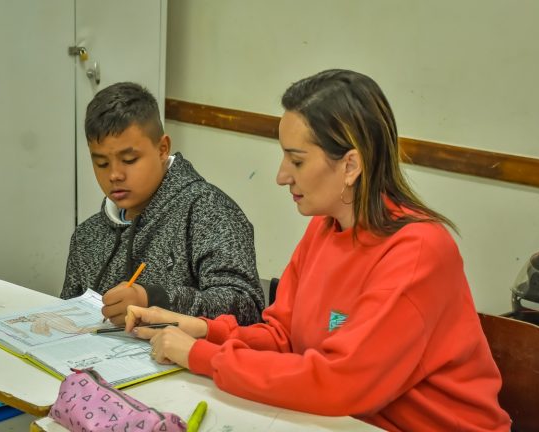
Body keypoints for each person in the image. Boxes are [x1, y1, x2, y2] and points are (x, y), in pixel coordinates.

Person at [123, 70, 511, 431]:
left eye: (297, 160)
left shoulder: (417, 251)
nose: (281, 175)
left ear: (351, 165)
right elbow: (284, 337)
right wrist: (204, 331)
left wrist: (201, 356)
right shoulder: (325, 228)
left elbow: (338, 381)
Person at [61, 82, 264, 326]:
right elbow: (68, 317)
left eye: (129, 159)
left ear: (162, 148)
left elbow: (247, 309)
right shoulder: (87, 236)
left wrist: (155, 299)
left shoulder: (207, 211)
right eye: (102, 163)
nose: (114, 175)